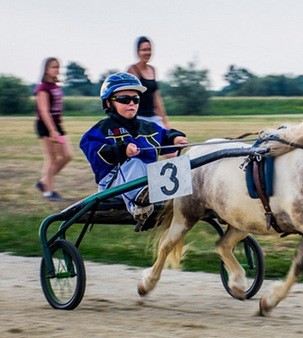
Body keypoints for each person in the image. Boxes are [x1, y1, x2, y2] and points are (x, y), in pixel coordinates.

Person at [80, 72, 188, 220]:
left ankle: (196, 201)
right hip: (113, 187)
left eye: (135, 99)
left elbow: (165, 135)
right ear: (108, 102)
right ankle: (139, 206)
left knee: (179, 166)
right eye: (124, 99)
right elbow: (96, 154)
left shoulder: (148, 127)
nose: (131, 103)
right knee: (135, 162)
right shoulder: (100, 130)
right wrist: (122, 150)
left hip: (147, 181)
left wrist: (175, 138)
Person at [34, 57, 72, 201]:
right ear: (46, 69)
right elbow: (44, 111)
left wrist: (57, 128)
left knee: (67, 156)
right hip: (46, 125)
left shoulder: (56, 86)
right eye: (53, 67)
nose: (56, 70)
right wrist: (52, 130)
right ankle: (49, 192)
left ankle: (44, 181)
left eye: (58, 67)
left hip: (57, 125)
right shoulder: (42, 88)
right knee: (52, 159)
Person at [127, 36, 171, 129]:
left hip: (153, 117)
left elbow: (156, 98)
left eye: (149, 50)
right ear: (138, 52)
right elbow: (128, 97)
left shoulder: (153, 69)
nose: (147, 53)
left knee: (168, 138)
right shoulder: (132, 70)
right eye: (144, 50)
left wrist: (165, 122)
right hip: (138, 118)